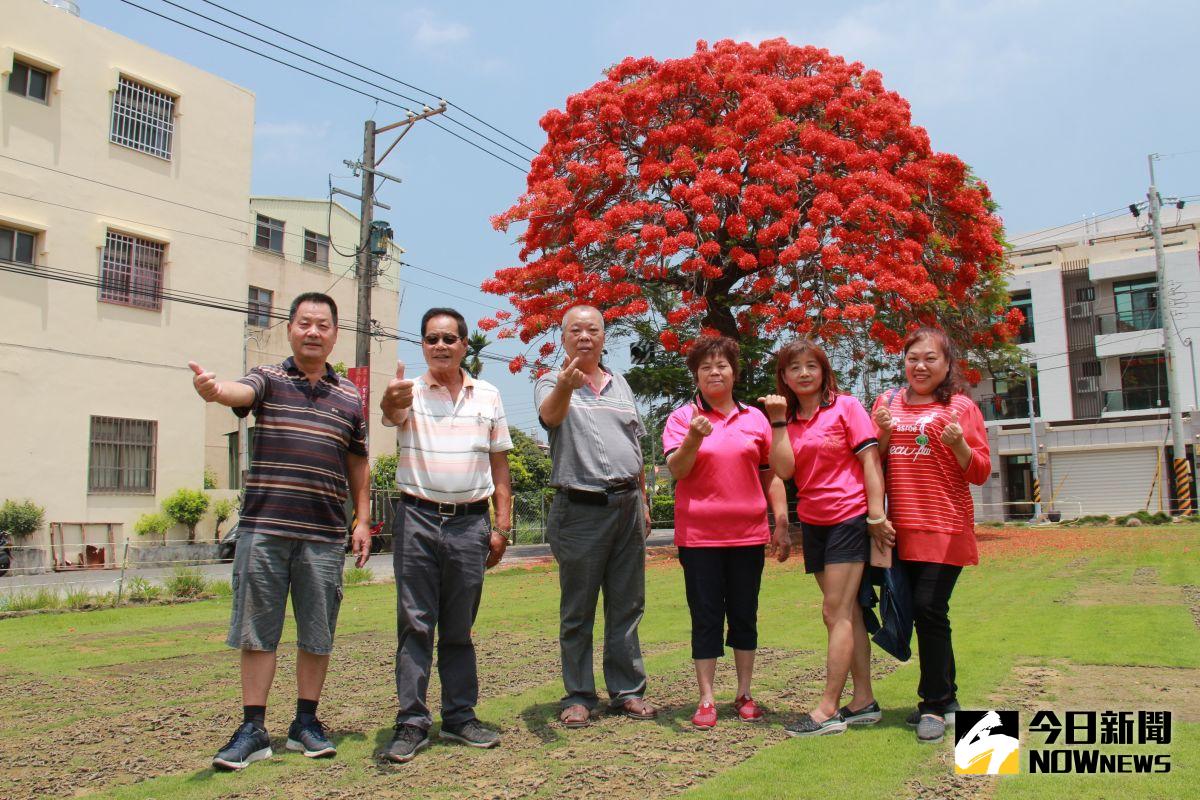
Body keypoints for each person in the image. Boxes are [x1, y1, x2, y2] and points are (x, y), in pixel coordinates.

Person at [190, 292, 371, 771]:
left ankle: (305, 724)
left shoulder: (350, 395)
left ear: (335, 334)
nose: (314, 332)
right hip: (264, 530)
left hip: (323, 534)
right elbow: (240, 394)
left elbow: (358, 460)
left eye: (323, 325)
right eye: (305, 323)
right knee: (257, 632)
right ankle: (253, 728)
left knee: (317, 632)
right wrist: (215, 390)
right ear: (290, 328)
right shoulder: (268, 378)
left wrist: (363, 519)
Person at [378, 307, 513, 763]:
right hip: (416, 518)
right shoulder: (408, 391)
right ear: (422, 344)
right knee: (415, 624)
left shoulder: (489, 396)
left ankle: (459, 717)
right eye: (432, 338)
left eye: (449, 339)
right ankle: (411, 722)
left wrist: (502, 526)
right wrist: (390, 399)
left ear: (464, 345)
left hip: (470, 523)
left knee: (459, 627)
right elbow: (390, 412)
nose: (440, 346)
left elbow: (500, 466)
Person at [762, 339, 891, 737]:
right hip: (815, 523)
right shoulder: (785, 420)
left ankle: (828, 709)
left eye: (811, 366)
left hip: (848, 518)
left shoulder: (846, 407)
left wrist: (875, 514)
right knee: (848, 612)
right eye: (794, 367)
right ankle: (864, 700)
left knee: (833, 612)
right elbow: (785, 471)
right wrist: (779, 420)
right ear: (783, 377)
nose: (803, 373)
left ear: (823, 371)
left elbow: (870, 461)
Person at [535, 305, 656, 728]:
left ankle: (627, 691)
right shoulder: (550, 381)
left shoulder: (620, 383)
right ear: (563, 337)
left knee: (627, 605)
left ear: (604, 337)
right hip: (579, 508)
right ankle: (579, 695)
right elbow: (550, 417)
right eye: (575, 330)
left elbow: (635, 446)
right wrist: (568, 387)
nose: (584, 336)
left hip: (626, 507)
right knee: (578, 609)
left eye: (593, 329)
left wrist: (642, 499)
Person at [662, 335, 790, 730]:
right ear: (696, 377)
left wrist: (781, 521)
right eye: (705, 368)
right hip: (699, 537)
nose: (714, 372)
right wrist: (695, 438)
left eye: (722, 366)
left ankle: (744, 693)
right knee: (705, 617)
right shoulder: (682, 418)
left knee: (744, 615)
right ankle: (706, 698)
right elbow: (678, 470)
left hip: (748, 536)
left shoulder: (755, 418)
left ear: (734, 372)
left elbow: (772, 476)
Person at [871, 327, 990, 744]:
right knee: (924, 613)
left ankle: (933, 706)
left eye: (930, 358)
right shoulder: (886, 403)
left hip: (945, 526)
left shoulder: (960, 408)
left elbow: (979, 472)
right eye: (913, 358)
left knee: (928, 607)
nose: (920, 366)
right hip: (899, 529)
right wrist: (882, 432)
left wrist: (959, 444)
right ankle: (949, 698)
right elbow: (872, 464)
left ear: (947, 363)